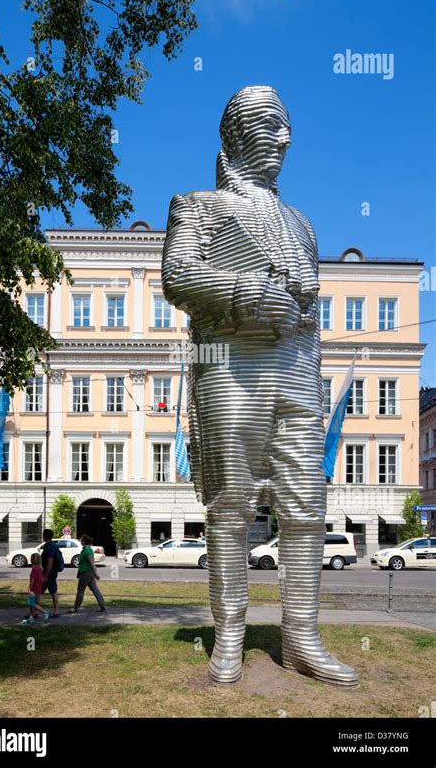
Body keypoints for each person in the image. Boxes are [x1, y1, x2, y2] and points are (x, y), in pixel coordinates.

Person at [162, 85, 357, 687]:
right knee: (230, 508)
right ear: (233, 135)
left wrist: (315, 384)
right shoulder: (196, 203)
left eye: (286, 127)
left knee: (306, 510)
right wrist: (247, 291)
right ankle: (229, 637)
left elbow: (312, 310)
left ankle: (301, 637)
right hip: (230, 368)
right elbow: (177, 273)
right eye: (271, 124)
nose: (284, 138)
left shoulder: (302, 223)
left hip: (298, 373)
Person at [69, 534, 107, 613]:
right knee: (95, 589)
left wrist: (96, 575)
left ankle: (75, 608)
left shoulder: (87, 551)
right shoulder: (87, 549)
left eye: (81, 539)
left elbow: (92, 563)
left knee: (80, 590)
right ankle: (103, 606)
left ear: (84, 541)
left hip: (85, 573)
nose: (80, 540)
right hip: (88, 573)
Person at [22, 553, 50, 624]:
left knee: (31, 603)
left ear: (34, 559)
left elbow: (32, 579)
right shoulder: (40, 568)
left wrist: (29, 588)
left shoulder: (34, 568)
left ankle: (45, 612)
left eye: (31, 558)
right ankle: (31, 618)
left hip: (34, 588)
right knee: (33, 604)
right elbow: (42, 579)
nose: (30, 559)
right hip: (39, 588)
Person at [41, 528, 60, 618]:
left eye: (43, 535)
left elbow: (50, 561)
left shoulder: (48, 546)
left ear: (45, 536)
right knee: (52, 591)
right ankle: (56, 610)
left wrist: (46, 575)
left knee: (38, 591)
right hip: (53, 571)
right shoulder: (53, 545)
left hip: (49, 573)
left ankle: (34, 611)